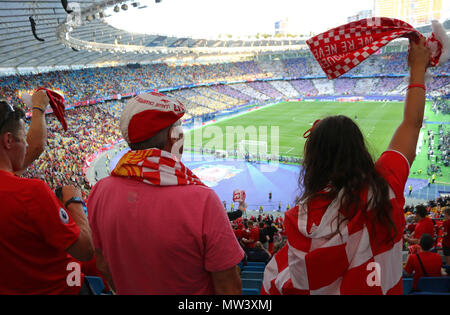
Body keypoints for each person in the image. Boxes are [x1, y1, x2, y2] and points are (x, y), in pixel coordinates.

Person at [262, 37, 431, 295]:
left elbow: (290, 281)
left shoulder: (299, 218)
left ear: (314, 162)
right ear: (359, 150)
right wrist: (417, 68)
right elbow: (412, 123)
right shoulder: (385, 186)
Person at [87, 92, 244, 294]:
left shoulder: (100, 190)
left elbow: (103, 265)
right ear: (173, 137)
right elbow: (228, 287)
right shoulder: (202, 200)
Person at [0, 92, 94, 294]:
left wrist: (39, 109)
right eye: (23, 137)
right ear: (8, 141)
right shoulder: (30, 192)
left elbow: (34, 147)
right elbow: (85, 249)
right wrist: (74, 199)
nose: (26, 144)